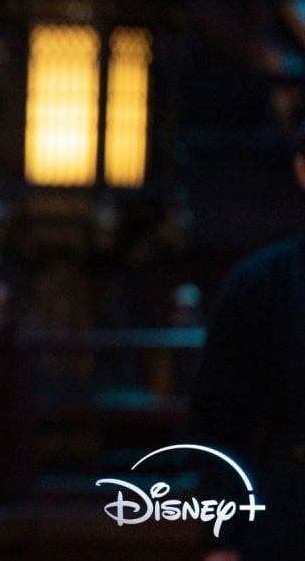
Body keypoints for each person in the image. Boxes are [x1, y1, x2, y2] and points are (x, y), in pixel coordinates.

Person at [189, 119, 305, 560]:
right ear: (302, 169)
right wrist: (223, 539)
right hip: (286, 510)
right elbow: (217, 421)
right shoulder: (260, 283)